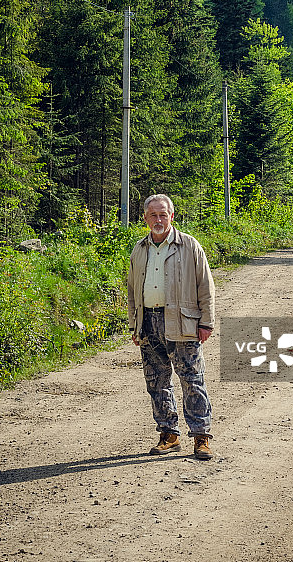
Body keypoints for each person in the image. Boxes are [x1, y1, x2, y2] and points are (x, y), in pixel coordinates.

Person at [127, 194, 215, 460]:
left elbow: (205, 286)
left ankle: (201, 437)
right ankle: (169, 435)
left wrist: (206, 322)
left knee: (192, 380)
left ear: (172, 216)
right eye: (153, 215)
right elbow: (132, 291)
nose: (158, 220)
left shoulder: (189, 245)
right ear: (145, 218)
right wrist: (134, 325)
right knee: (156, 381)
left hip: (182, 323)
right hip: (148, 323)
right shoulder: (139, 249)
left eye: (163, 214)